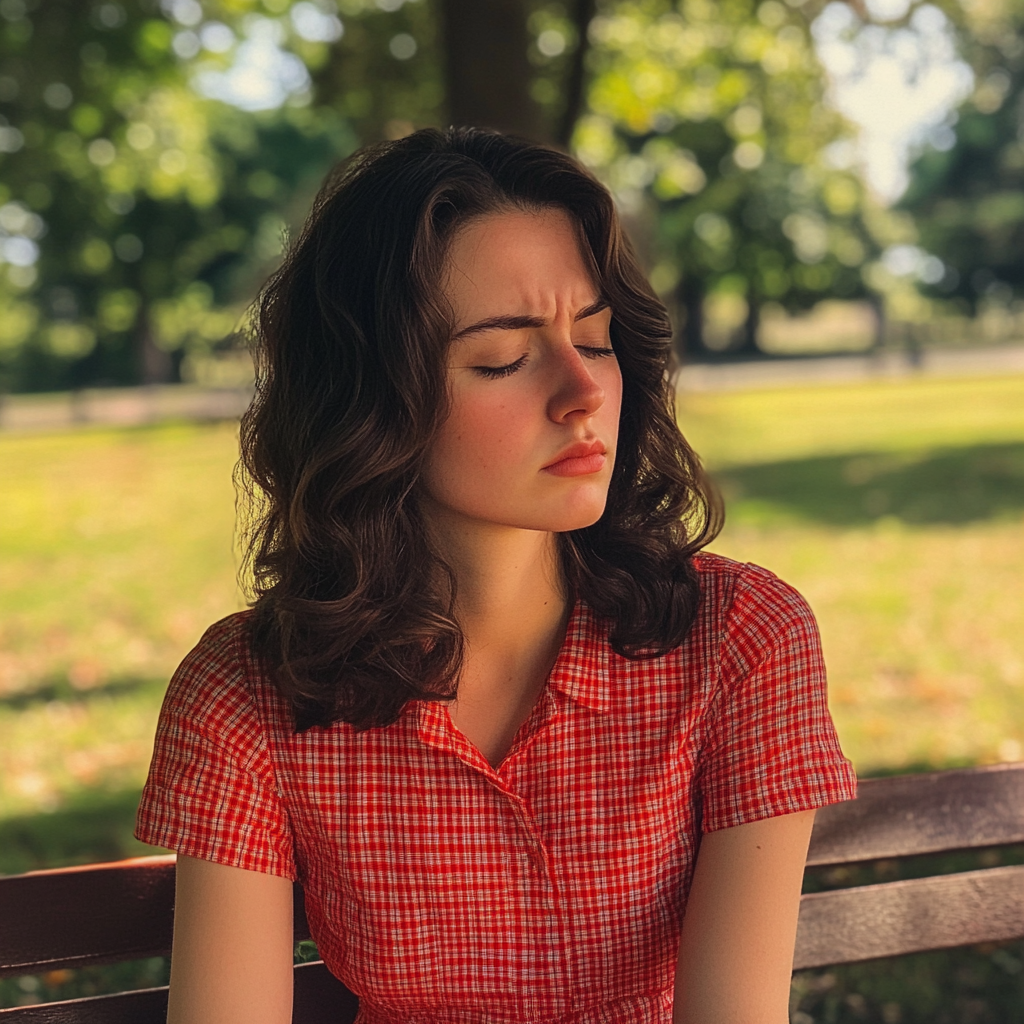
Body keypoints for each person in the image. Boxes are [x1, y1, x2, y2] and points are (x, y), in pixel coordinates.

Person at [135, 126, 856, 1024]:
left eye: (594, 341)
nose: (582, 392)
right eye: (503, 360)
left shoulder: (740, 638)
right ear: (370, 402)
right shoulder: (245, 694)